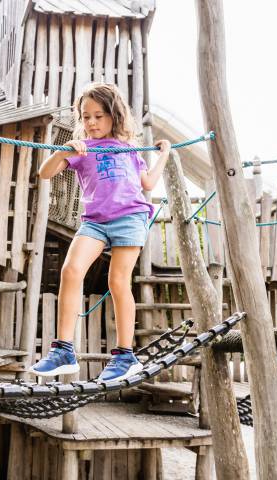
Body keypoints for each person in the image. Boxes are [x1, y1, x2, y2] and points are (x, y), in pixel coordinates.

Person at [30, 83, 171, 382]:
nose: (91, 123)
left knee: (117, 281)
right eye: (86, 117)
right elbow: (45, 173)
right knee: (70, 271)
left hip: (130, 217)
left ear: (114, 115)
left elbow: (147, 184)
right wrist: (63, 150)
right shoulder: (81, 148)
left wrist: (164, 155)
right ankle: (64, 351)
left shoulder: (131, 148)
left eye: (98, 116)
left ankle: (125, 356)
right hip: (94, 221)